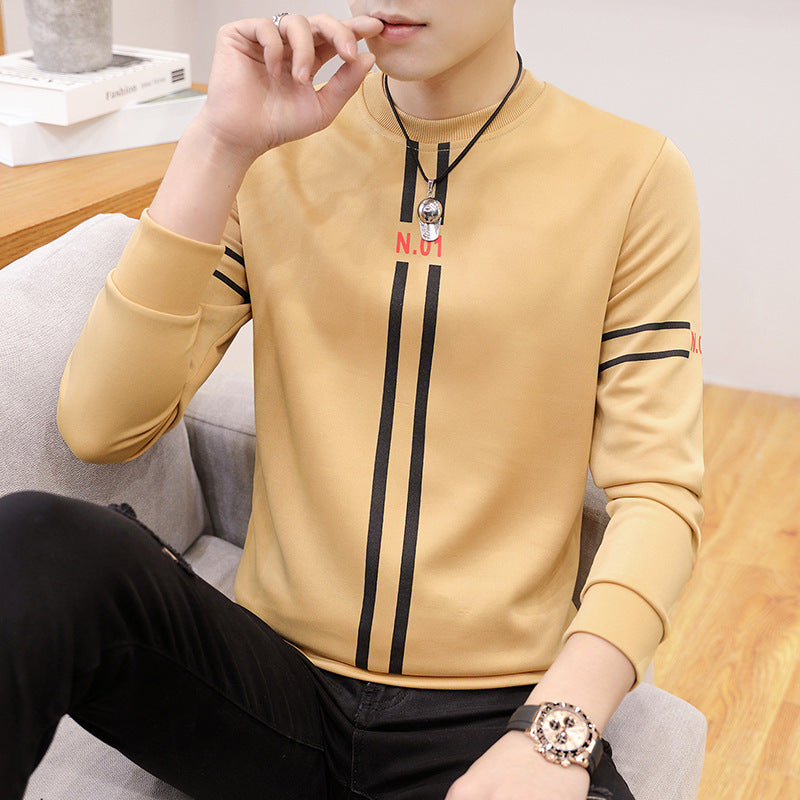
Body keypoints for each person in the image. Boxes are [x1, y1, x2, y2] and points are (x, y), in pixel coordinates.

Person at [0, 2, 703, 799]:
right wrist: (217, 144)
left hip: (488, 715)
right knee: (35, 540)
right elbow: (102, 425)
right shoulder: (274, 151)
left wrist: (556, 731)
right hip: (267, 690)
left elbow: (659, 491)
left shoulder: (631, 174)